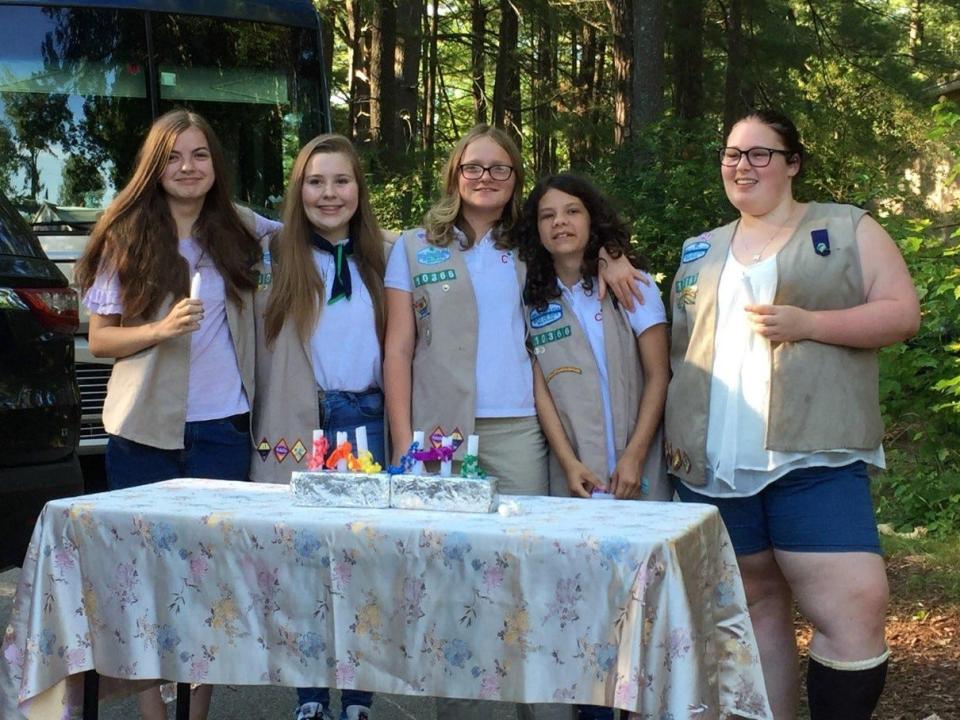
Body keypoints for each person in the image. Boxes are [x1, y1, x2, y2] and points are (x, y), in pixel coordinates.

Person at [664, 109, 920, 720]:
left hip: (814, 457)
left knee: (855, 607)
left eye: (759, 154)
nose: (742, 165)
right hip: (710, 467)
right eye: (732, 154)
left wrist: (812, 325)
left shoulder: (845, 227)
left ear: (792, 163)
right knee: (753, 609)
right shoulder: (701, 247)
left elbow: (901, 312)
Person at [382, 126, 645, 720]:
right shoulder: (412, 247)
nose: (485, 178)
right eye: (474, 167)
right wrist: (405, 442)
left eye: (500, 169)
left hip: (520, 430)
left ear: (514, 180)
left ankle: (544, 709)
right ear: (455, 173)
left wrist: (613, 254)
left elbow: (582, 242)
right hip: (439, 439)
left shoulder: (527, 245)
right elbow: (398, 348)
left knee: (529, 577)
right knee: (452, 581)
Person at [75, 109, 270, 720]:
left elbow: (322, 223)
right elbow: (101, 341)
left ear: (217, 165)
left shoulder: (242, 229)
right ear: (154, 167)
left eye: (200, 156)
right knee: (143, 585)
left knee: (206, 586)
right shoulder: (126, 235)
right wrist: (160, 329)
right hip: (142, 434)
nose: (188, 168)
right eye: (174, 157)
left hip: (222, 432)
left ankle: (195, 714)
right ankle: (153, 715)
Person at [517, 173, 670, 720]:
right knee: (582, 610)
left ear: (592, 219)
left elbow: (659, 376)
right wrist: (567, 461)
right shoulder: (531, 303)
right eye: (547, 215)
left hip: (638, 474)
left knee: (640, 610)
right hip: (577, 479)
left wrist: (633, 454)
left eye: (572, 211)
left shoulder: (634, 287)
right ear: (534, 231)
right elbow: (541, 394)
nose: (560, 222)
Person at [250, 134, 387, 720]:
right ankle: (310, 696)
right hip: (305, 422)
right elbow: (212, 205)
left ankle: (358, 698)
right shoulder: (275, 253)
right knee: (303, 563)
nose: (329, 194)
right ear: (297, 190)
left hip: (368, 422)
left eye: (341, 181)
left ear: (359, 190)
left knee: (365, 563)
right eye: (315, 182)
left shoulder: (389, 256)